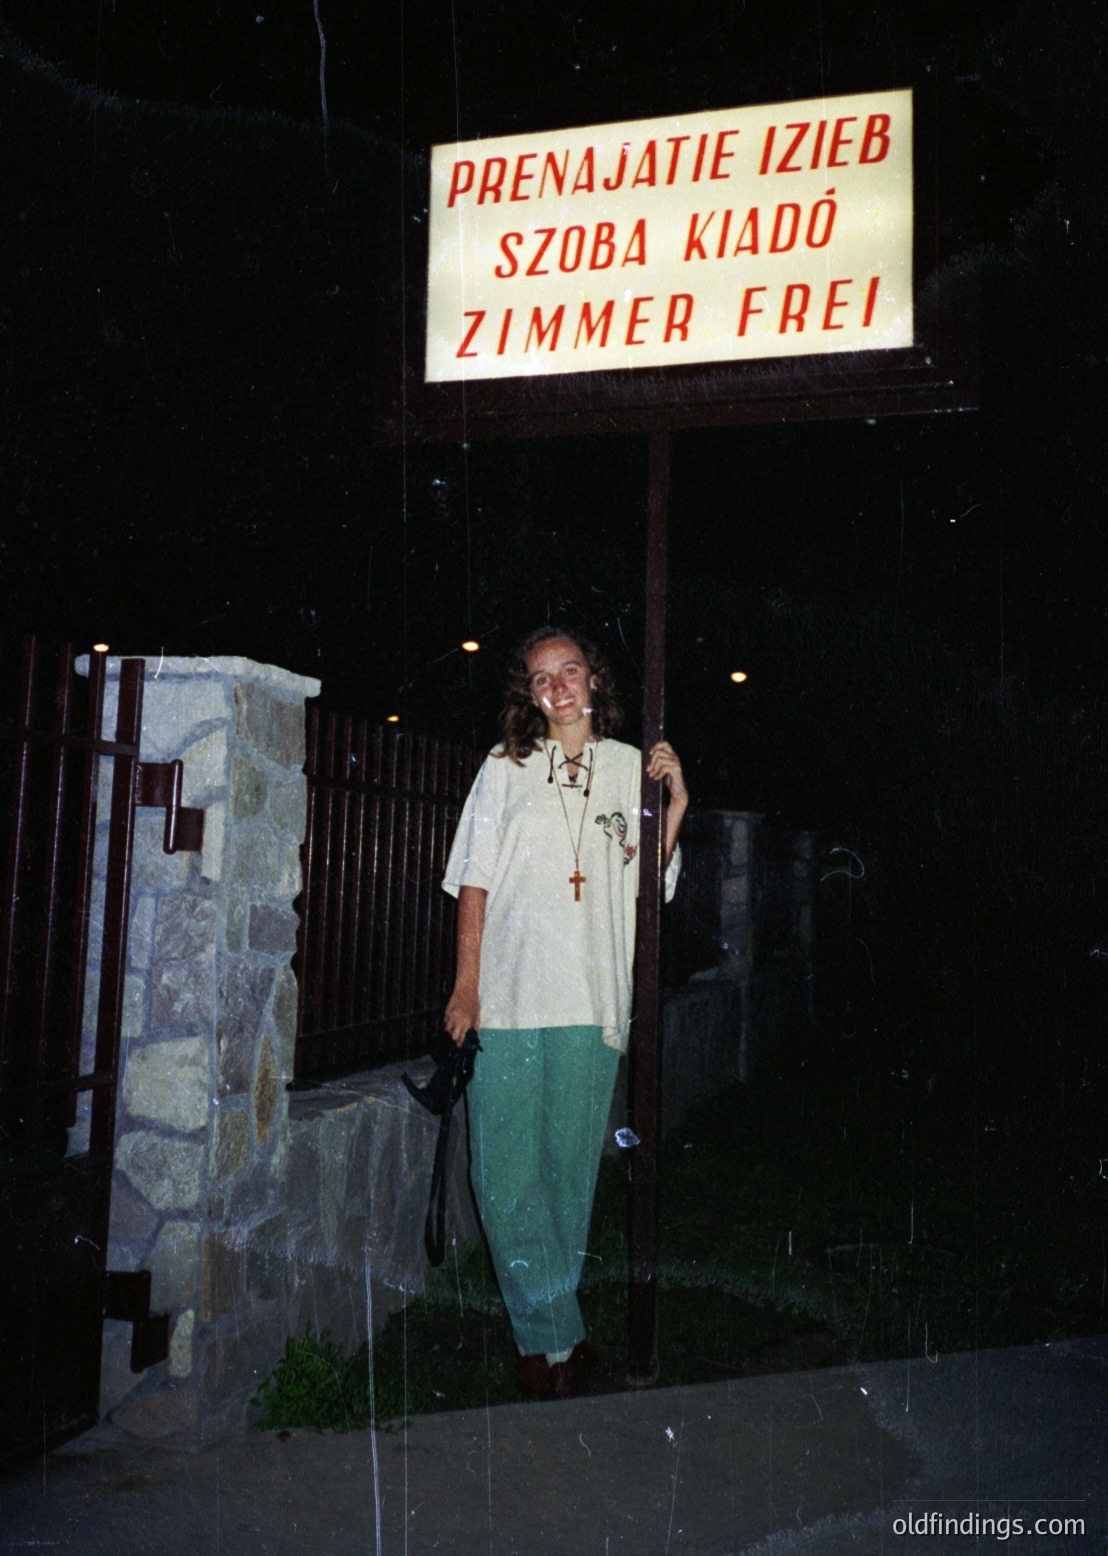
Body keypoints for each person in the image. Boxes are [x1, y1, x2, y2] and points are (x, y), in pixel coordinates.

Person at [442, 624, 687, 1399]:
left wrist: (675, 801)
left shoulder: (626, 771)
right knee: (502, 1177)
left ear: (594, 680)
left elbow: (651, 884)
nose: (558, 687)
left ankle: (547, 1353)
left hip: (590, 1002)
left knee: (565, 1177)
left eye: (569, 671)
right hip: (509, 999)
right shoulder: (505, 768)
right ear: (530, 694)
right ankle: (557, 1337)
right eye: (542, 678)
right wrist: (466, 986)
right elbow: (473, 881)